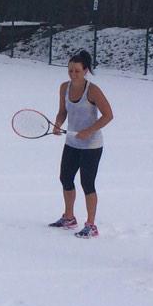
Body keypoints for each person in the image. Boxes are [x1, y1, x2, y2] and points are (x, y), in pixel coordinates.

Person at [48, 49, 114, 237]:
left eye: (77, 70)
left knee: (87, 183)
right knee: (65, 178)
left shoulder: (93, 90)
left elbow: (109, 115)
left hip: (91, 145)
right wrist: (58, 124)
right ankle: (69, 217)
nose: (73, 74)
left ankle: (91, 225)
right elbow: (62, 111)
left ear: (85, 71)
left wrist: (89, 131)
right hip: (72, 142)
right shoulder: (64, 87)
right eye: (70, 70)